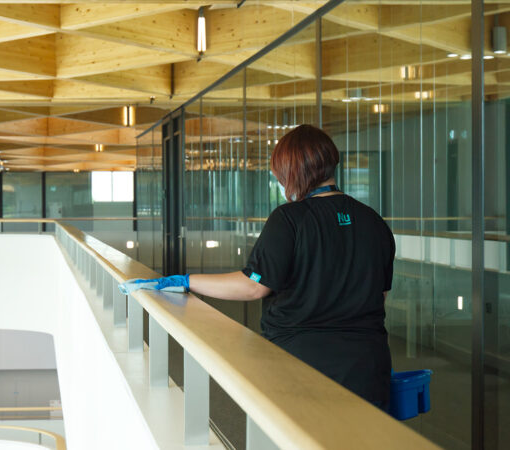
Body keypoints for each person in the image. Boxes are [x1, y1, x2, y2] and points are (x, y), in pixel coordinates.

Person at [139, 124, 395, 410]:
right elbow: (379, 297)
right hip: (368, 370)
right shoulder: (374, 221)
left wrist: (186, 281)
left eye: (280, 173)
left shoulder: (290, 219)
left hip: (300, 368)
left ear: (293, 172)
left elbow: (254, 285)